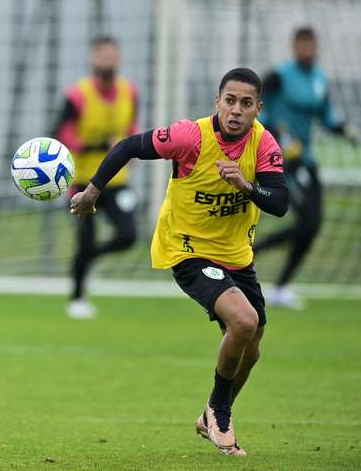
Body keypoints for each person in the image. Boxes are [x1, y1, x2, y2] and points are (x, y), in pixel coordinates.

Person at [70, 68, 288, 456]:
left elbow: (280, 203)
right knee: (244, 320)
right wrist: (92, 191)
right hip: (187, 250)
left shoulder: (264, 143)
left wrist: (246, 186)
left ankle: (211, 414)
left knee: (251, 349)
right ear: (217, 102)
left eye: (246, 103)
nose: (236, 110)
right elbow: (128, 146)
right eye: (230, 101)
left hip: (238, 255)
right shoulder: (191, 136)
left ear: (258, 108)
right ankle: (220, 412)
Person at [254, 27, 356, 308]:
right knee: (308, 221)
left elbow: (326, 115)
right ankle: (258, 262)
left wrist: (343, 129)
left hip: (306, 160)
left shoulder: (319, 79)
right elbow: (259, 110)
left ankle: (276, 281)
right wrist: (279, 135)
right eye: (302, 45)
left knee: (313, 225)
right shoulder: (278, 77)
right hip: (282, 161)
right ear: (294, 47)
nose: (307, 50)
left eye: (311, 45)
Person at [54, 36, 139, 319]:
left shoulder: (130, 93)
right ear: (92, 59)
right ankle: (77, 298)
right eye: (102, 55)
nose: (108, 61)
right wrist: (98, 145)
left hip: (117, 182)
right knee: (85, 238)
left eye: (113, 55)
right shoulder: (77, 96)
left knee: (129, 235)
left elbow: (132, 130)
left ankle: (91, 259)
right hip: (82, 182)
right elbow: (60, 135)